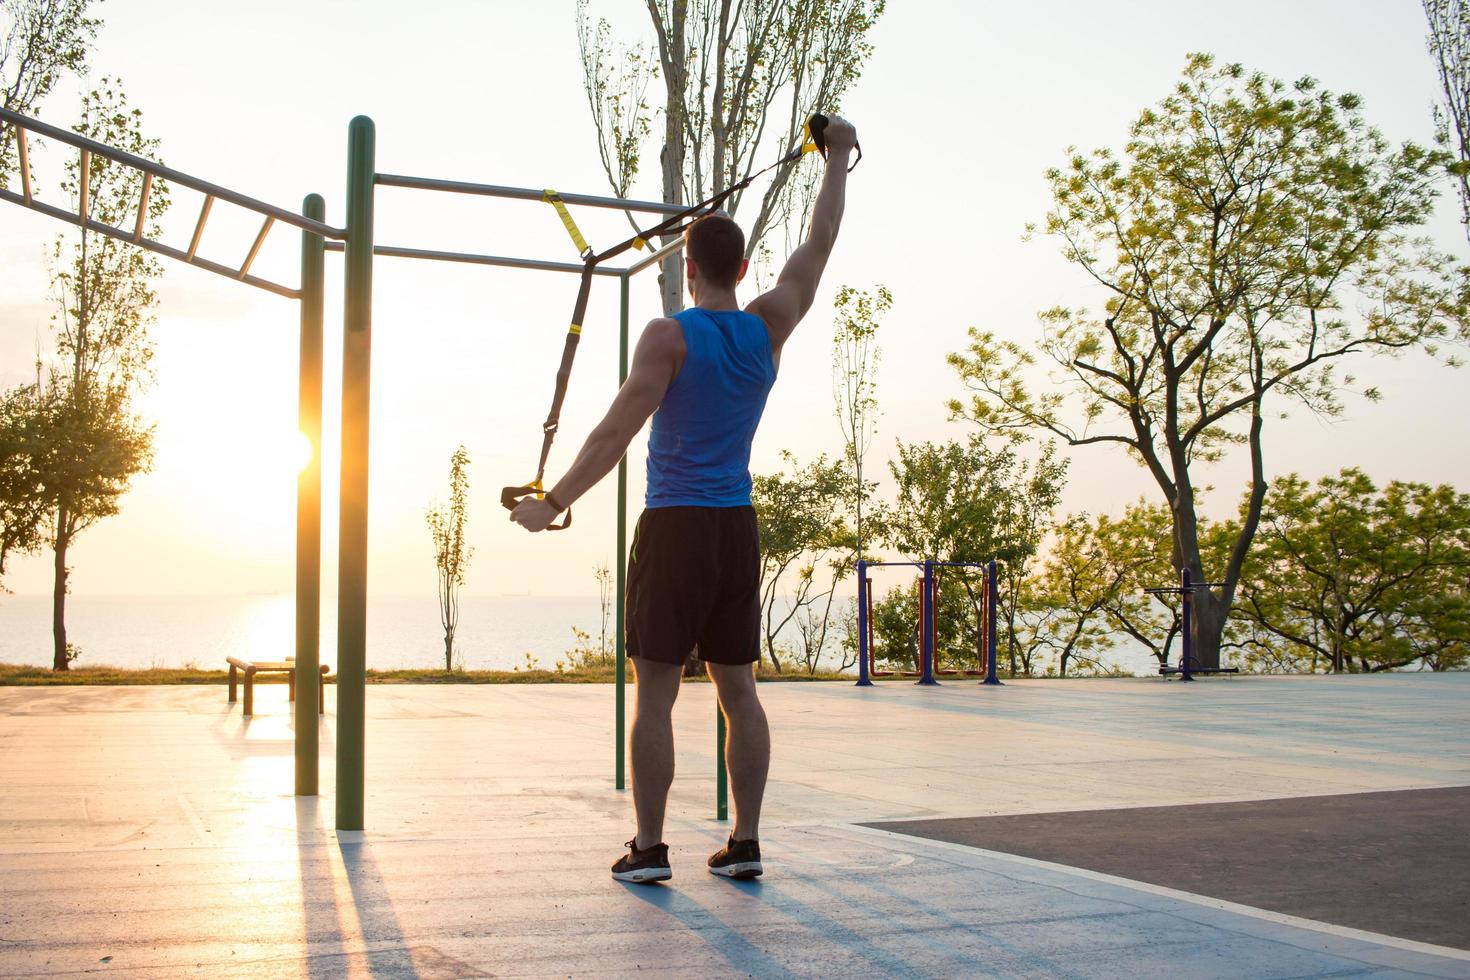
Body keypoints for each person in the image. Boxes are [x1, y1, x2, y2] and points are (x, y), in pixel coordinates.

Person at [511, 116, 858, 883]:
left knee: (657, 697)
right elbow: (820, 242)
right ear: (741, 266)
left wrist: (552, 503)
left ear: (692, 270)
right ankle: (746, 842)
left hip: (672, 530)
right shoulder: (770, 326)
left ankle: (650, 849)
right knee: (739, 690)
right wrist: (837, 157)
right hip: (736, 529)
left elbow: (614, 433)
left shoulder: (669, 336)